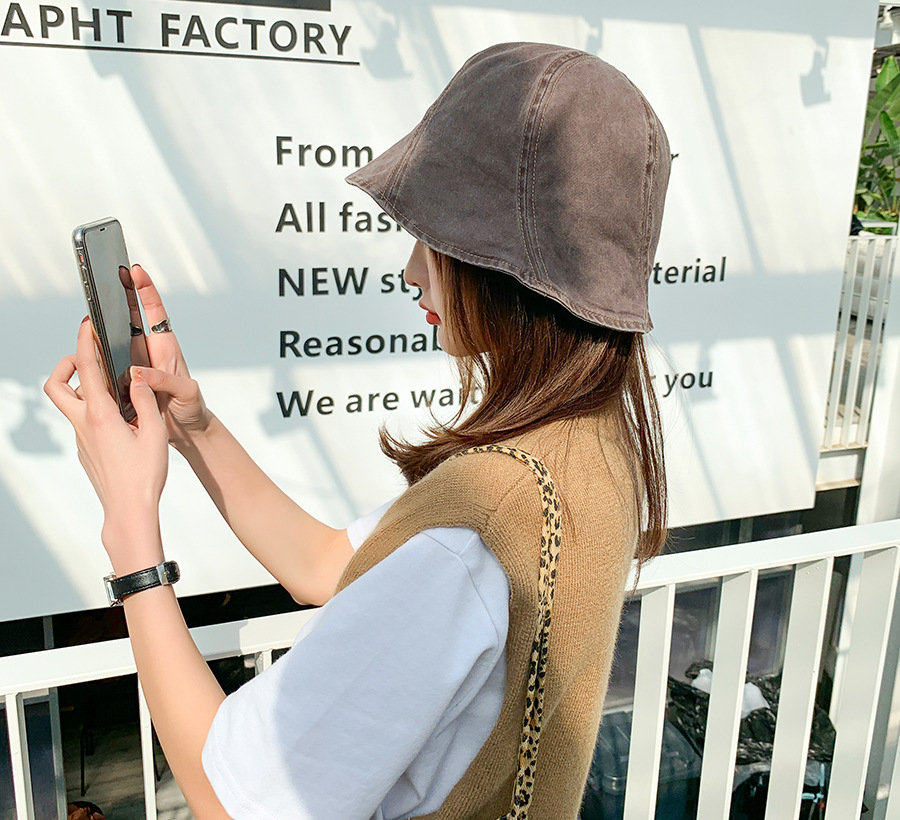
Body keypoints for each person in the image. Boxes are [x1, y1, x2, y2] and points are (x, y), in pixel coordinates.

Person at [45, 42, 671, 820]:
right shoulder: (587, 447)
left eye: (434, 241)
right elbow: (322, 565)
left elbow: (226, 800)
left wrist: (131, 536)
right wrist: (193, 427)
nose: (412, 271)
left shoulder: (479, 531)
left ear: (505, 266)